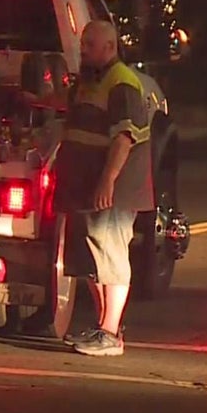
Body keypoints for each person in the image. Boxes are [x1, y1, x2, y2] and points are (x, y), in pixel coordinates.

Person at [52, 19, 154, 357]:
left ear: (110, 48)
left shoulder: (121, 82)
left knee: (110, 254)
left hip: (111, 188)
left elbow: (125, 137)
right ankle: (104, 327)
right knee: (92, 260)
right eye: (83, 43)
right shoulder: (87, 81)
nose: (83, 49)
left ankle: (110, 333)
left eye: (90, 45)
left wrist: (107, 180)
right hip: (85, 184)